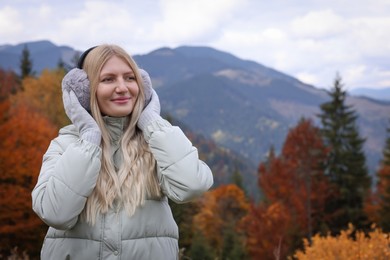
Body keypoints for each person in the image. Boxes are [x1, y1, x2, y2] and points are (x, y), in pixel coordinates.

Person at [31, 44, 213, 259]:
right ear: (84, 91)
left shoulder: (156, 143)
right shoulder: (65, 145)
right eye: (108, 79)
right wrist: (89, 137)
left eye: (130, 78)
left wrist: (152, 122)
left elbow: (192, 186)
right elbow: (56, 213)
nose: (123, 88)